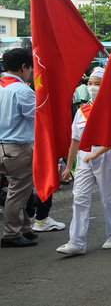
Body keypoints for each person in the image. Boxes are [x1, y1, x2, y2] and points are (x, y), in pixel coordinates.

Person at [57, 67, 111, 256]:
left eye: (97, 83)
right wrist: (69, 166)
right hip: (84, 157)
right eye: (90, 83)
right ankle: (77, 242)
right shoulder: (82, 111)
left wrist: (97, 154)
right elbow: (75, 140)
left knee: (109, 198)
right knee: (79, 198)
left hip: (105, 154)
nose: (92, 87)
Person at [0, 48, 38, 248]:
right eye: (30, 68)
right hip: (17, 146)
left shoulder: (2, 85)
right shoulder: (21, 90)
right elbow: (38, 116)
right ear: (24, 67)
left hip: (4, 146)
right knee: (18, 191)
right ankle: (11, 232)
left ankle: (23, 228)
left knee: (19, 189)